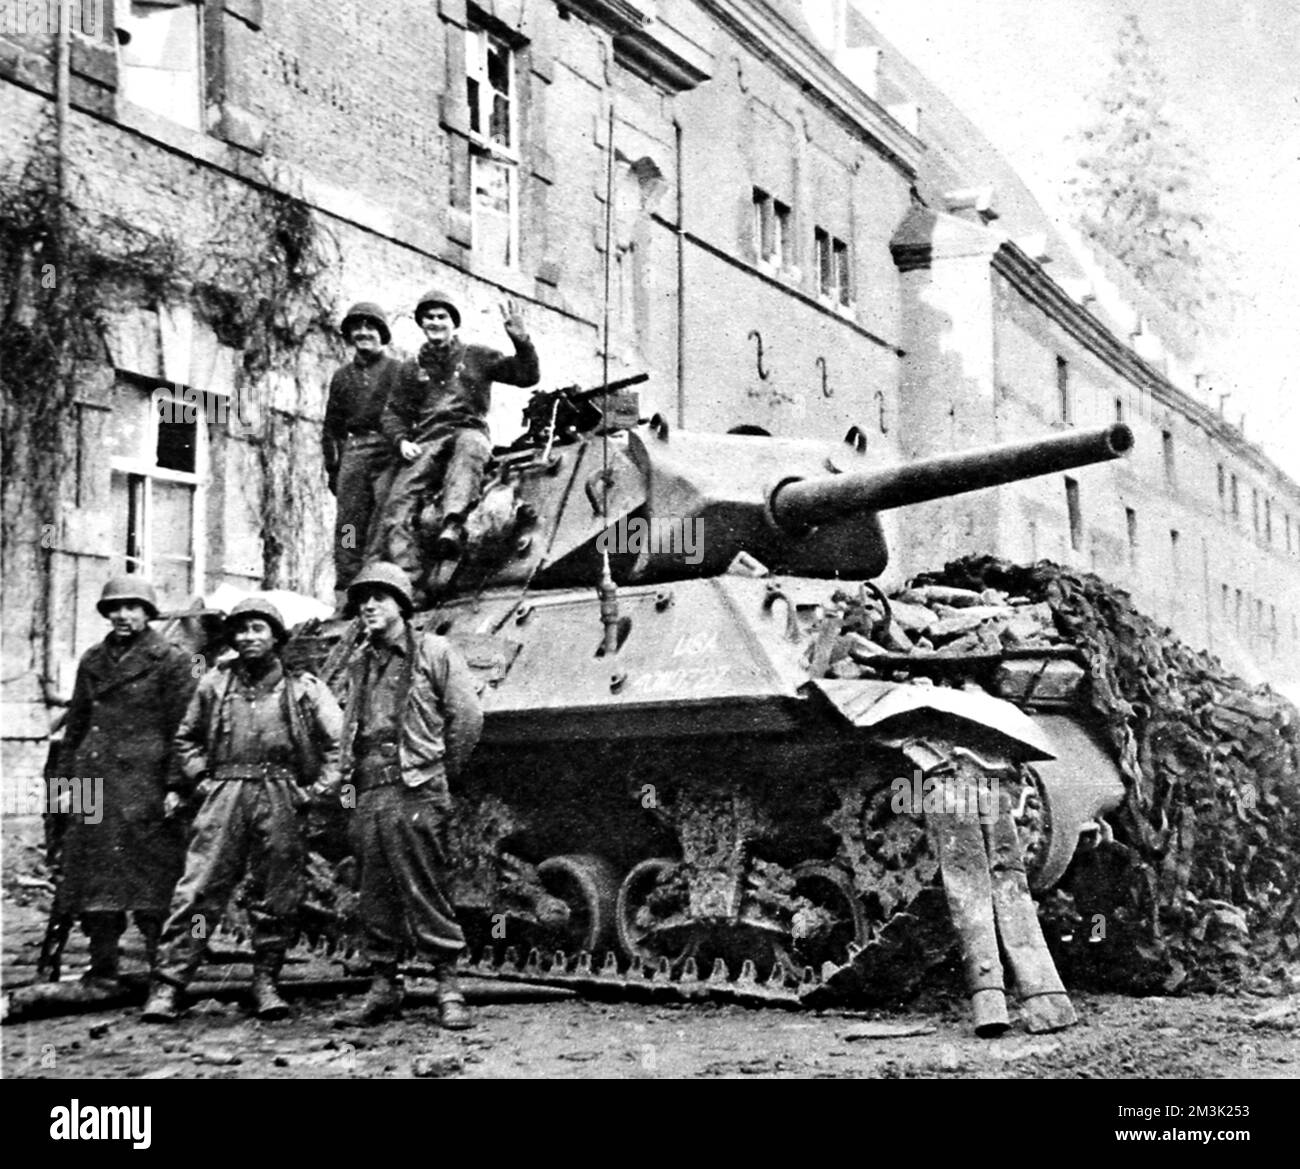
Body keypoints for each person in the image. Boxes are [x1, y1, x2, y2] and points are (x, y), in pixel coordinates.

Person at [141, 597, 342, 1022]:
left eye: (258, 629)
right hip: (225, 791)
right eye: (242, 630)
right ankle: (169, 984)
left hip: (281, 791)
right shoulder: (215, 683)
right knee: (200, 887)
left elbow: (338, 744)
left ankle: (266, 981)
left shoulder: (303, 687)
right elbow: (187, 738)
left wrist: (317, 791)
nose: (248, 638)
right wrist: (201, 780)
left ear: (276, 638)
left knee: (277, 892)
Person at [338, 561, 483, 1028]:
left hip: (415, 788)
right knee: (373, 892)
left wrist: (436, 771)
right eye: (363, 599)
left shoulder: (434, 651)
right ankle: (384, 985)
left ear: (401, 604)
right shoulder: (360, 661)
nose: (368, 606)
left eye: (379, 597)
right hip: (370, 788)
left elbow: (466, 717)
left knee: (424, 888)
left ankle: (448, 987)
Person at [50, 575, 196, 988]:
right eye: (115, 607)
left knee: (154, 876)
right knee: (91, 874)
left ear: (148, 612)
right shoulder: (92, 659)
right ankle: (102, 966)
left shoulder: (170, 660)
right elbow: (75, 727)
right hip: (92, 779)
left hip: (145, 782)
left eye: (132, 607)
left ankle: (163, 971)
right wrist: (65, 785)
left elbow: (181, 730)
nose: (122, 615)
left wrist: (176, 786)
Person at [370, 289, 539, 595]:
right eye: (429, 318)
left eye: (441, 317)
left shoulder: (476, 356)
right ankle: (410, 584)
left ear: (453, 323)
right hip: (427, 440)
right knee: (397, 508)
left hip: (467, 429)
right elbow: (391, 413)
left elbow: (526, 375)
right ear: (421, 324)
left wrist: (521, 341)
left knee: (470, 452)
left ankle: (453, 525)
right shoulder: (412, 367)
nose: (435, 322)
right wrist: (401, 440)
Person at [322, 301, 404, 605]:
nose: (363, 333)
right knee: (348, 525)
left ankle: (378, 588)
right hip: (355, 449)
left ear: (382, 333)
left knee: (384, 520)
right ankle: (346, 591)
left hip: (388, 448)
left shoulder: (397, 371)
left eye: (370, 327)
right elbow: (331, 428)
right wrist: (334, 469)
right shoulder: (342, 377)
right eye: (357, 328)